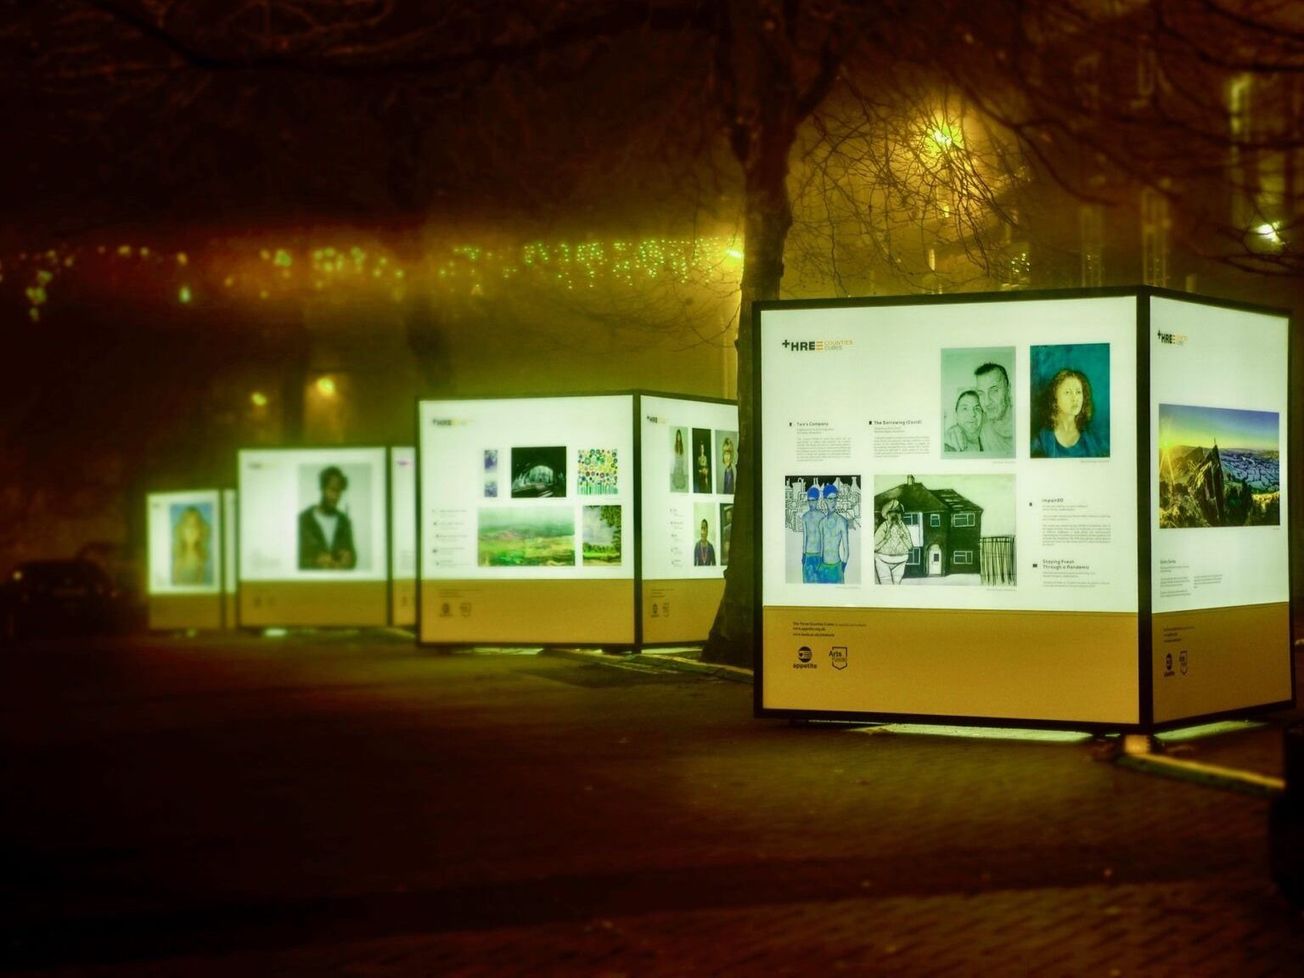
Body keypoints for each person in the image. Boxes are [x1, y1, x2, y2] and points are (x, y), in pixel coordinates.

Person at [1033, 368, 1103, 458]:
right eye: (1067, 392)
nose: (1075, 398)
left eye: (1078, 392)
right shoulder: (1041, 440)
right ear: (1055, 397)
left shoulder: (1092, 439)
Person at [299, 465, 357, 570]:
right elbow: (293, 559)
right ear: (322, 488)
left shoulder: (344, 522)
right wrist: (315, 561)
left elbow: (353, 558)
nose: (336, 496)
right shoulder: (303, 520)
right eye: (332, 490)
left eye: (339, 491)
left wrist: (349, 560)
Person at [974, 362, 1014, 457]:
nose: (987, 402)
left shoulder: (1026, 425)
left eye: (994, 390)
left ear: (1008, 390)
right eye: (981, 393)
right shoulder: (981, 426)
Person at [873, 498, 912, 584]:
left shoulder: (902, 526)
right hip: (883, 560)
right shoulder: (884, 526)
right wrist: (886, 538)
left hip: (900, 561)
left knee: (896, 586)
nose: (895, 515)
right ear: (887, 514)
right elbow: (874, 547)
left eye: (898, 512)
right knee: (886, 584)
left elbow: (910, 546)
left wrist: (902, 537)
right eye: (891, 512)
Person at [171, 505, 212, 585]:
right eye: (188, 526)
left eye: (195, 526)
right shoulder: (178, 557)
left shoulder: (202, 558)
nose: (191, 530)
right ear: (181, 530)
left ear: (201, 531)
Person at [817, 483, 849, 583]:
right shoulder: (822, 523)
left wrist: (842, 567)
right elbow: (821, 546)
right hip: (823, 567)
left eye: (835, 499)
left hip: (837, 567)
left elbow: (846, 549)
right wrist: (820, 565)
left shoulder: (842, 521)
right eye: (830, 499)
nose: (833, 502)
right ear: (825, 500)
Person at [943, 390, 984, 454]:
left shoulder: (988, 443)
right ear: (956, 415)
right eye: (965, 408)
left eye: (977, 408)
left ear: (982, 414)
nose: (972, 414)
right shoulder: (948, 446)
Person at [800, 485, 823, 582]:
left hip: (818, 554)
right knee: (807, 581)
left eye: (813, 500)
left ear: (817, 501)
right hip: (808, 554)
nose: (811, 503)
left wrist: (822, 555)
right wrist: (803, 554)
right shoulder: (805, 517)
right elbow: (805, 537)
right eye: (809, 500)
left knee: (819, 581)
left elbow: (823, 537)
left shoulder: (822, 516)